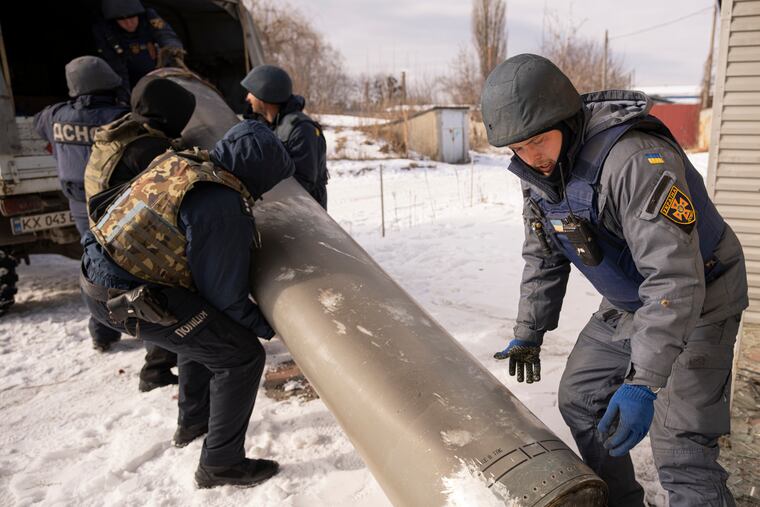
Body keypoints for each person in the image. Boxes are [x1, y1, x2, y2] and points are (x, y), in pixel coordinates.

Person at [481, 54, 748, 506]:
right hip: (631, 300)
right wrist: (529, 331)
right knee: (581, 400)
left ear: (566, 119)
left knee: (681, 446)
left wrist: (643, 381)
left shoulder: (634, 161)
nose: (531, 158)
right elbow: (544, 255)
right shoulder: (539, 170)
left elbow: (674, 279)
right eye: (518, 149)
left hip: (701, 294)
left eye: (538, 141)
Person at [80, 120, 294, 487]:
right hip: (128, 296)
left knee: (203, 329)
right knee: (240, 355)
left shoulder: (185, 164)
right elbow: (225, 296)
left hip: (102, 276)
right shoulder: (221, 204)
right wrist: (274, 328)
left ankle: (193, 421)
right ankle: (221, 464)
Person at [84, 76, 196, 392]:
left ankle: (155, 370)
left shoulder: (123, 134)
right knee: (173, 301)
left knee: (157, 304)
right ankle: (156, 372)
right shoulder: (149, 150)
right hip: (130, 246)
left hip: (110, 239)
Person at [34, 55, 129, 352]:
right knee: (129, 264)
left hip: (79, 204)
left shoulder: (54, 115)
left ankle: (102, 333)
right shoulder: (120, 116)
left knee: (94, 265)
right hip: (118, 202)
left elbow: (41, 130)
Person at [240, 64, 328, 209]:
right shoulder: (265, 124)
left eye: (251, 92)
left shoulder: (302, 130)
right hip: (278, 208)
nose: (247, 97)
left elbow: (302, 184)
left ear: (264, 94)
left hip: (305, 216)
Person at [93, 0, 185, 92]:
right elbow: (117, 67)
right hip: (131, 81)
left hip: (157, 73)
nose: (129, 23)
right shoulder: (105, 31)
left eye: (132, 17)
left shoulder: (149, 16)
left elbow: (165, 34)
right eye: (121, 19)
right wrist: (125, 97)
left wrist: (172, 49)